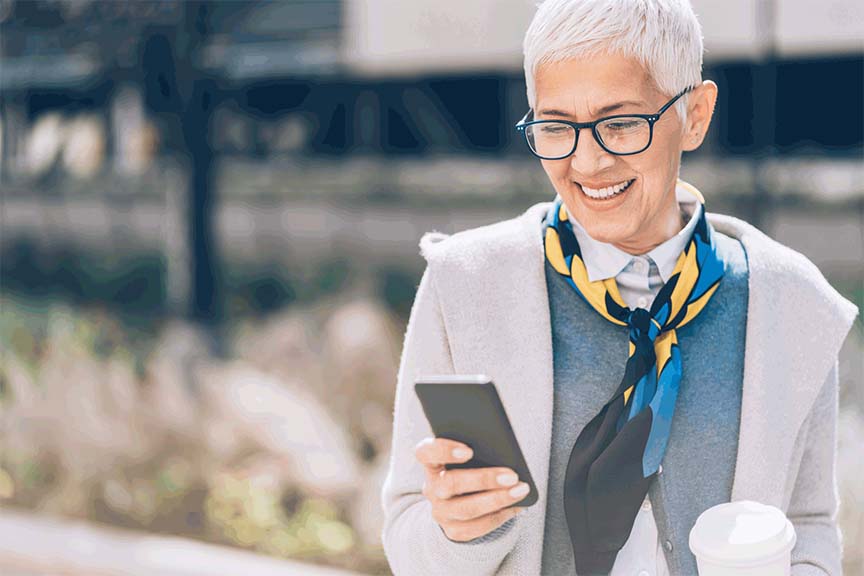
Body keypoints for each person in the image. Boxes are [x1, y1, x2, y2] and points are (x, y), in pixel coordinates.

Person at [379, 1, 859, 574]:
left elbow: (808, 529)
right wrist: (459, 535)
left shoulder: (793, 304)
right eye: (555, 126)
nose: (586, 161)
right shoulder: (464, 286)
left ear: (697, 114)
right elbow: (408, 532)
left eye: (622, 123)